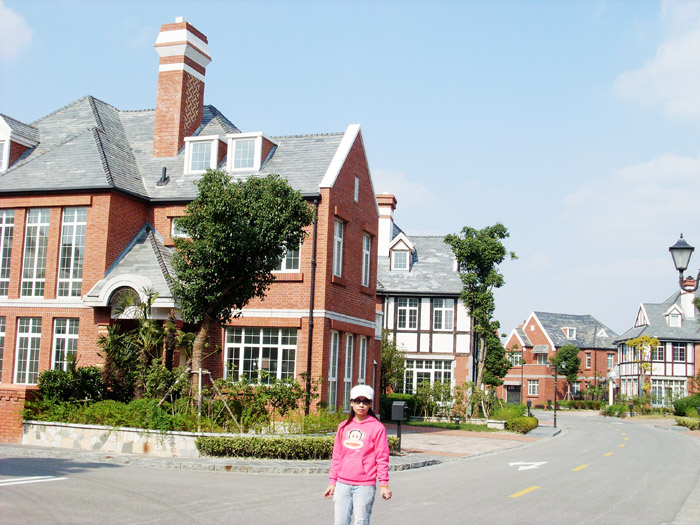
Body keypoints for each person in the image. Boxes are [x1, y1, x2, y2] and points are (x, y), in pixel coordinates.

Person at [324, 385, 392, 525]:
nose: (361, 405)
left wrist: (384, 484)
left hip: (364, 485)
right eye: (357, 401)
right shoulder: (343, 426)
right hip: (342, 483)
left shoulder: (377, 427)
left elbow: (382, 458)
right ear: (351, 403)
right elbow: (337, 456)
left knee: (361, 522)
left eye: (365, 401)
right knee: (340, 522)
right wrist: (332, 482)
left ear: (370, 404)